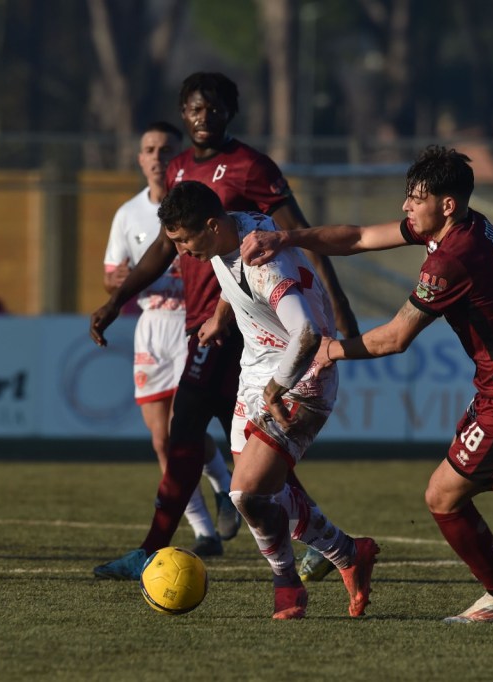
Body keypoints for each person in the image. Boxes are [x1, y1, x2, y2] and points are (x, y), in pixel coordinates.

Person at [242, 145, 493, 623]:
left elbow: (395, 337)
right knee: (482, 473)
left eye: (415, 198)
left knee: (443, 496)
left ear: (447, 204)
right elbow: (361, 237)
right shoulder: (464, 225)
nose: (406, 207)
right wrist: (286, 238)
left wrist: (330, 349)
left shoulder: (453, 259)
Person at [91, 72, 359, 581]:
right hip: (206, 322)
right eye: (194, 108)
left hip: (247, 327)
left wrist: (338, 310)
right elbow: (165, 247)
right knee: (248, 456)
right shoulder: (178, 169)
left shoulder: (252, 167)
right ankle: (326, 543)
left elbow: (299, 236)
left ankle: (153, 549)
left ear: (229, 112)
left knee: (191, 433)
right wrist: (118, 299)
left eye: (213, 108)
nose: (203, 117)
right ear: (183, 111)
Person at [159, 179, 378, 619]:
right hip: (255, 372)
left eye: (184, 240)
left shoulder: (263, 264)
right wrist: (222, 317)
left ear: (209, 226)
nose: (182, 252)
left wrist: (277, 386)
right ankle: (348, 553)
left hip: (302, 376)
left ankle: (287, 584)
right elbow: (230, 278)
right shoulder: (234, 230)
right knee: (264, 493)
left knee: (246, 493)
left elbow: (307, 333)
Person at [102, 121, 236, 557]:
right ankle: (206, 528)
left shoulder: (200, 205)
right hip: (151, 328)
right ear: (140, 158)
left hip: (192, 324)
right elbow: (111, 276)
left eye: (165, 150)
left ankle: (224, 494)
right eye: (149, 149)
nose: (157, 157)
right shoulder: (128, 214)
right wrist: (119, 284)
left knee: (187, 427)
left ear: (178, 159)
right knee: (163, 439)